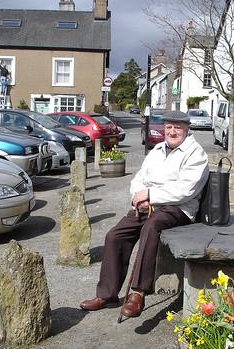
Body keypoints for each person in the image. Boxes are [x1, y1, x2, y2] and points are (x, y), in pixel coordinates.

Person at [80, 110, 209, 318]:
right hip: (148, 204)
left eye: (177, 127)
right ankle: (108, 294)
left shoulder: (196, 153)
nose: (172, 131)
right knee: (115, 235)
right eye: (169, 127)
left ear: (187, 129)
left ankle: (138, 292)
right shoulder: (157, 150)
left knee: (151, 227)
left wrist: (150, 194)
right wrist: (138, 197)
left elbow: (186, 190)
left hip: (179, 208)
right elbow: (139, 179)